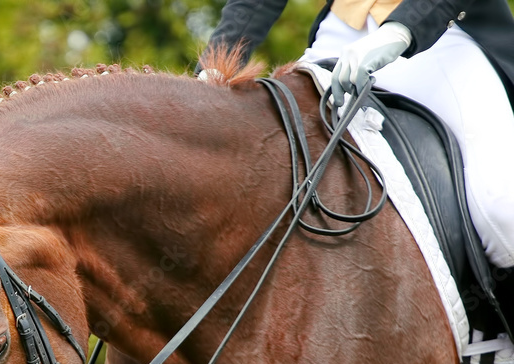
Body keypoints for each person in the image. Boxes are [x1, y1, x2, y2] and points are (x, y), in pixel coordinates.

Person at [199, 0, 514, 268]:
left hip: (441, 29)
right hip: (339, 35)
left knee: (502, 213)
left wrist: (400, 29)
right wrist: (215, 65)